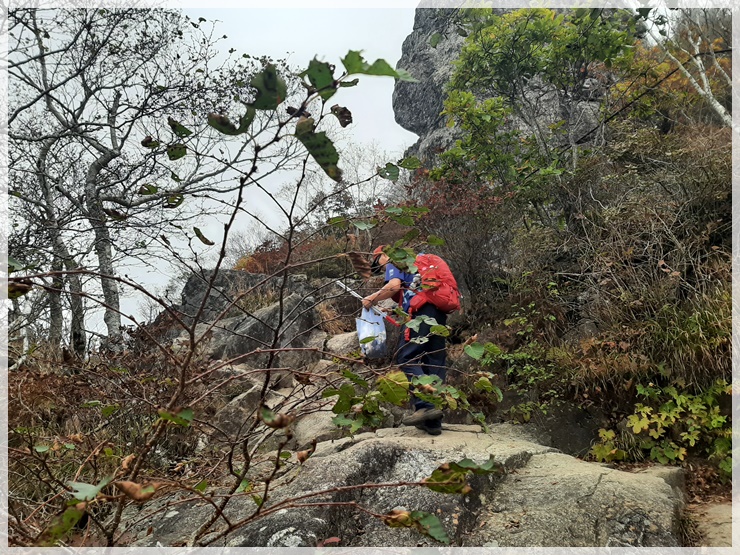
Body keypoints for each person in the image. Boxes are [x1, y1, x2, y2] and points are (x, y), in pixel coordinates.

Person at [362, 246, 447, 435]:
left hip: (419, 313)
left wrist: (371, 299)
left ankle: (425, 406)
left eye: (378, 264)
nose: (382, 269)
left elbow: (393, 286)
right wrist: (392, 310)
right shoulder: (417, 261)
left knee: (407, 357)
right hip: (438, 312)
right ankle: (433, 421)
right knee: (434, 361)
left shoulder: (395, 259)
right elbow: (413, 292)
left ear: (383, 255)